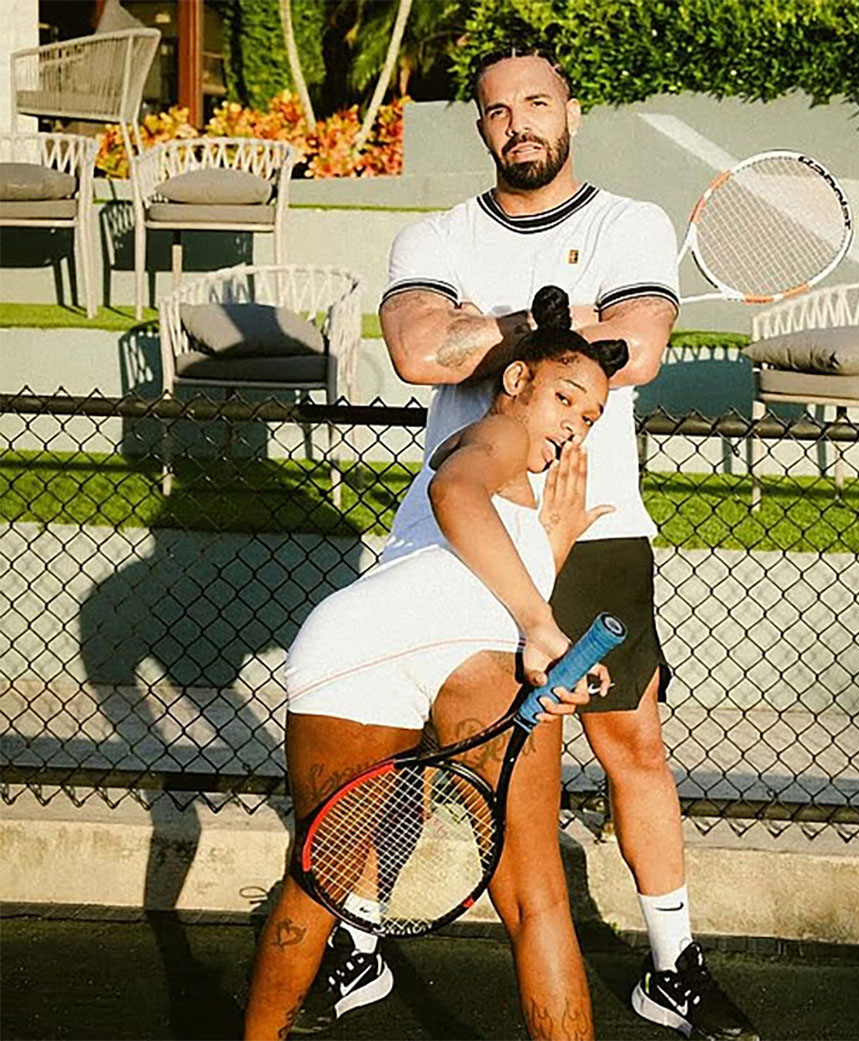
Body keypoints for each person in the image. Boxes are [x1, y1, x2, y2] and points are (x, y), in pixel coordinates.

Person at [301, 41, 759, 1041]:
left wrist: (492, 331)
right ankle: (360, 944)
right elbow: (419, 350)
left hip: (594, 526)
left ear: (571, 112)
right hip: (459, 530)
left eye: (537, 102)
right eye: (499, 108)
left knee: (630, 741)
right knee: (417, 748)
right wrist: (547, 323)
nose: (519, 122)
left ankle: (673, 969)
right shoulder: (434, 234)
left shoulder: (628, 223)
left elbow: (635, 349)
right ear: (480, 125)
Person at [245, 286, 626, 1041]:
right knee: (538, 900)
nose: (574, 425)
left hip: (363, 645)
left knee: (318, 880)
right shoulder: (499, 435)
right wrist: (542, 625)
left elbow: (471, 580)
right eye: (564, 398)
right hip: (413, 644)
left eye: (590, 418)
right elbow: (457, 492)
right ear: (515, 379)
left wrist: (551, 550)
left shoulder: (519, 486)